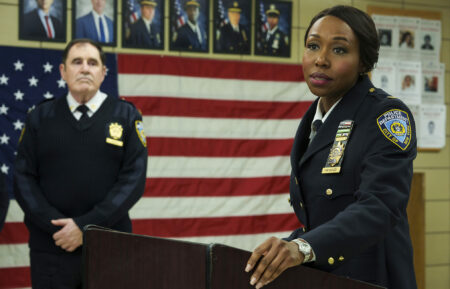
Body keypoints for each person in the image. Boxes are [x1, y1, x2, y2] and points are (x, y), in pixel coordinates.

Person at [245, 5, 417, 289]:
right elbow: (321, 217)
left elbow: (380, 207)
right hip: (327, 278)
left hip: (374, 279)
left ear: (364, 62)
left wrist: (301, 248)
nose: (320, 60)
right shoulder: (316, 119)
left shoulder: (386, 115)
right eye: (313, 46)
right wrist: (284, 248)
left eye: (339, 50)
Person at [14, 38, 148, 289]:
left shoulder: (127, 116)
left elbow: (133, 180)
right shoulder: (39, 117)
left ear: (103, 72)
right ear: (63, 71)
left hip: (110, 247)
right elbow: (23, 179)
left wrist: (86, 227)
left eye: (92, 63)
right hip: (53, 246)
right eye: (77, 62)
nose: (85, 68)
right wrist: (59, 227)